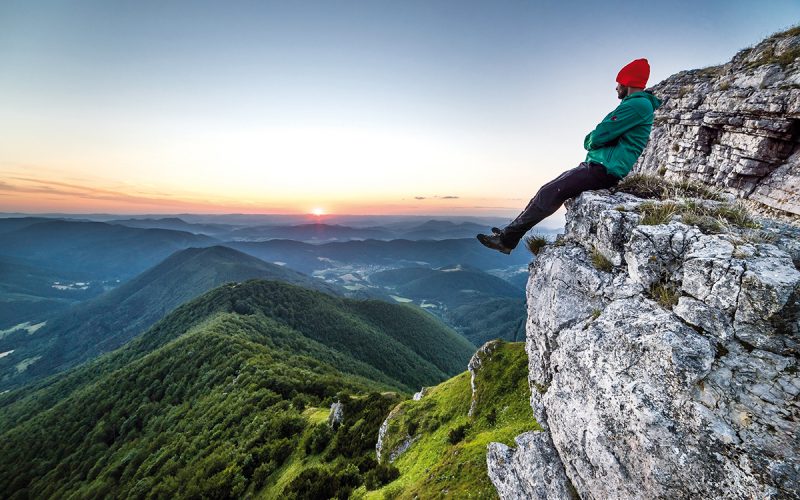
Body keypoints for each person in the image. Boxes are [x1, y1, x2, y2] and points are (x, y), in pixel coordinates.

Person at [477, 58, 663, 255]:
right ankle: (508, 234)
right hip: (598, 165)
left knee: (550, 192)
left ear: (627, 82)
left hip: (604, 169)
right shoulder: (635, 104)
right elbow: (603, 134)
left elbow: (598, 136)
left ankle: (506, 241)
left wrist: (591, 140)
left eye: (618, 83)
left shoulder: (637, 105)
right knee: (546, 190)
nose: (616, 87)